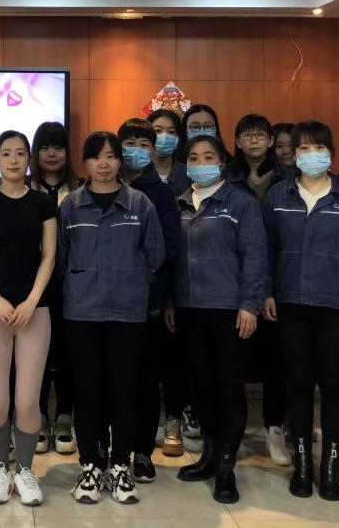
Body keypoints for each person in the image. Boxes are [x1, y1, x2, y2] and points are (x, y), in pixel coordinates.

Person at [262, 120, 339, 502]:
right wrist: (266, 292)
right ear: (293, 155)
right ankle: (301, 464)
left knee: (334, 386)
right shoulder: (278, 196)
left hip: (337, 307)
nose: (312, 155)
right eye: (304, 149)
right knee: (297, 385)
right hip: (290, 304)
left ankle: (330, 464)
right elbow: (266, 251)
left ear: (331, 153)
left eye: (319, 148)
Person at [59, 131, 164, 504]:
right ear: (85, 163)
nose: (103, 164)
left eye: (110, 156)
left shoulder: (140, 204)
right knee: (88, 391)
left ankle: (121, 465)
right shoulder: (70, 206)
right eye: (95, 156)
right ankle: (90, 464)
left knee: (124, 390)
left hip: (127, 313)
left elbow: (154, 255)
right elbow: (60, 257)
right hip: (82, 312)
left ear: (120, 161)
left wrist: (130, 282)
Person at [174, 135, 265, 503]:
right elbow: (172, 257)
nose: (201, 163)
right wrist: (171, 301)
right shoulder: (179, 202)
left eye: (208, 156)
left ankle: (227, 465)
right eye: (194, 158)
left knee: (229, 386)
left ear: (223, 162)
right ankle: (210, 455)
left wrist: (250, 305)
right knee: (201, 386)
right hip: (189, 309)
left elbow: (255, 257)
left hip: (230, 309)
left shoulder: (241, 202)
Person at [0, 130, 57, 506]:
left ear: (28, 158)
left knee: (27, 400)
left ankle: (26, 470)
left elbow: (49, 256)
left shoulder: (43, 203)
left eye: (21, 153)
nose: (14, 159)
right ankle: (1, 468)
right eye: (6, 153)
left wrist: (32, 300)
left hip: (35, 311)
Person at [117, 117, 181, 485]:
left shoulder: (161, 194)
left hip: (147, 301)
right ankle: (114, 450)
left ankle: (142, 451)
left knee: (145, 381)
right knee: (114, 381)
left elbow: (169, 248)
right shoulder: (102, 184)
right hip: (106, 303)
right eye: (130, 143)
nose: (136, 150)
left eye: (144, 144)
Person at [228, 113, 289, 466]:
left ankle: (274, 427)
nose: (253, 140)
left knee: (275, 361)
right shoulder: (228, 180)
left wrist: (268, 289)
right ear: (237, 141)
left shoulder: (287, 179)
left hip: (280, 284)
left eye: (260, 134)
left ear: (270, 140)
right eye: (246, 134)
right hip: (235, 284)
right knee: (235, 361)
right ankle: (232, 432)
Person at [146, 108, 193, 460]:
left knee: (175, 357)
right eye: (156, 130)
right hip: (134, 288)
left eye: (170, 130)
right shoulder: (125, 177)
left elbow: (171, 245)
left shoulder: (188, 173)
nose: (163, 137)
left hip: (176, 280)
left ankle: (174, 418)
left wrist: (171, 295)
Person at [29, 120, 78, 455]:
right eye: (44, 147)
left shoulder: (80, 189)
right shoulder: (23, 187)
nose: (51, 153)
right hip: (32, 285)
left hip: (72, 285)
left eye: (57, 147)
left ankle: (63, 416)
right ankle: (38, 416)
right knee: (37, 354)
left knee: (67, 352)